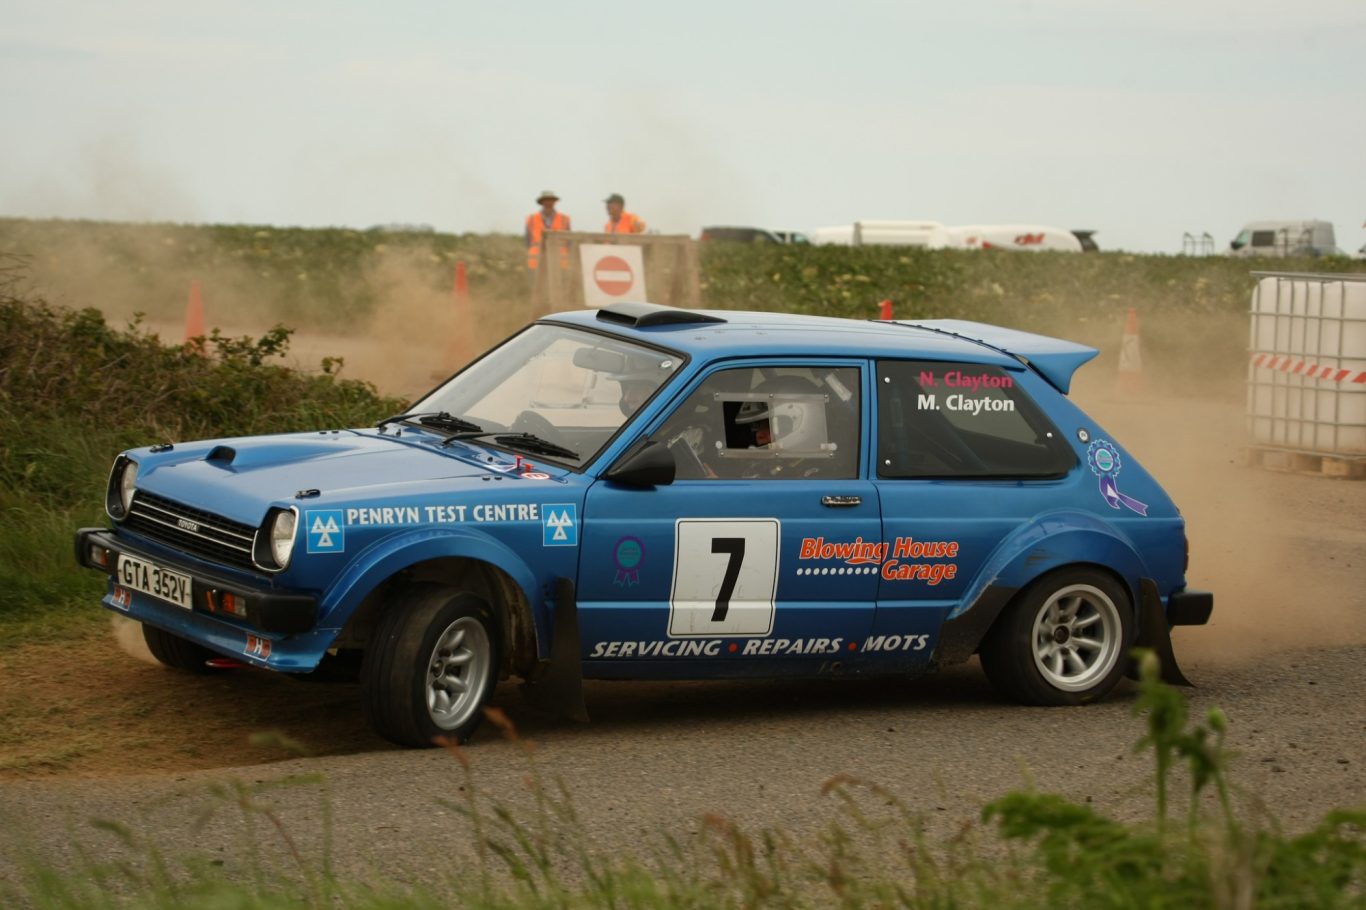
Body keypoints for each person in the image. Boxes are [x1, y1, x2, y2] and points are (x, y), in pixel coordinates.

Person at [525, 190, 570, 271]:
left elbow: (569, 242)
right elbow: (527, 241)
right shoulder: (531, 219)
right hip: (537, 263)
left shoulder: (564, 219)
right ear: (542, 202)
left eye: (551, 200)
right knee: (537, 284)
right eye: (546, 200)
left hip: (559, 263)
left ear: (555, 202)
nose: (549, 202)